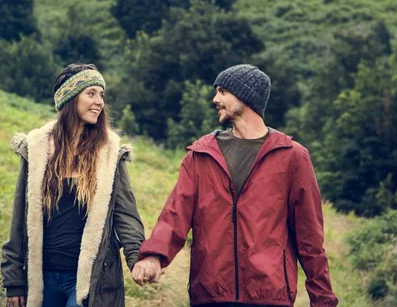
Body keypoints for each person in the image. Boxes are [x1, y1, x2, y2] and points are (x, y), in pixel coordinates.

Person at [132, 64, 338, 306]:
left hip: (269, 296)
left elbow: (309, 235)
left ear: (245, 95)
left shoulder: (292, 157)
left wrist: (322, 298)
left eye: (222, 92)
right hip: (210, 294)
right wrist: (154, 256)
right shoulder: (202, 154)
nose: (215, 99)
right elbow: (175, 214)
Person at [1, 63, 145, 307]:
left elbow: (126, 215)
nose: (99, 101)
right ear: (68, 99)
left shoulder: (109, 153)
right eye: (91, 93)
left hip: (89, 279)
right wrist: (14, 278)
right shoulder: (36, 149)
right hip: (43, 277)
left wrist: (138, 258)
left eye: (101, 95)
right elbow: (20, 218)